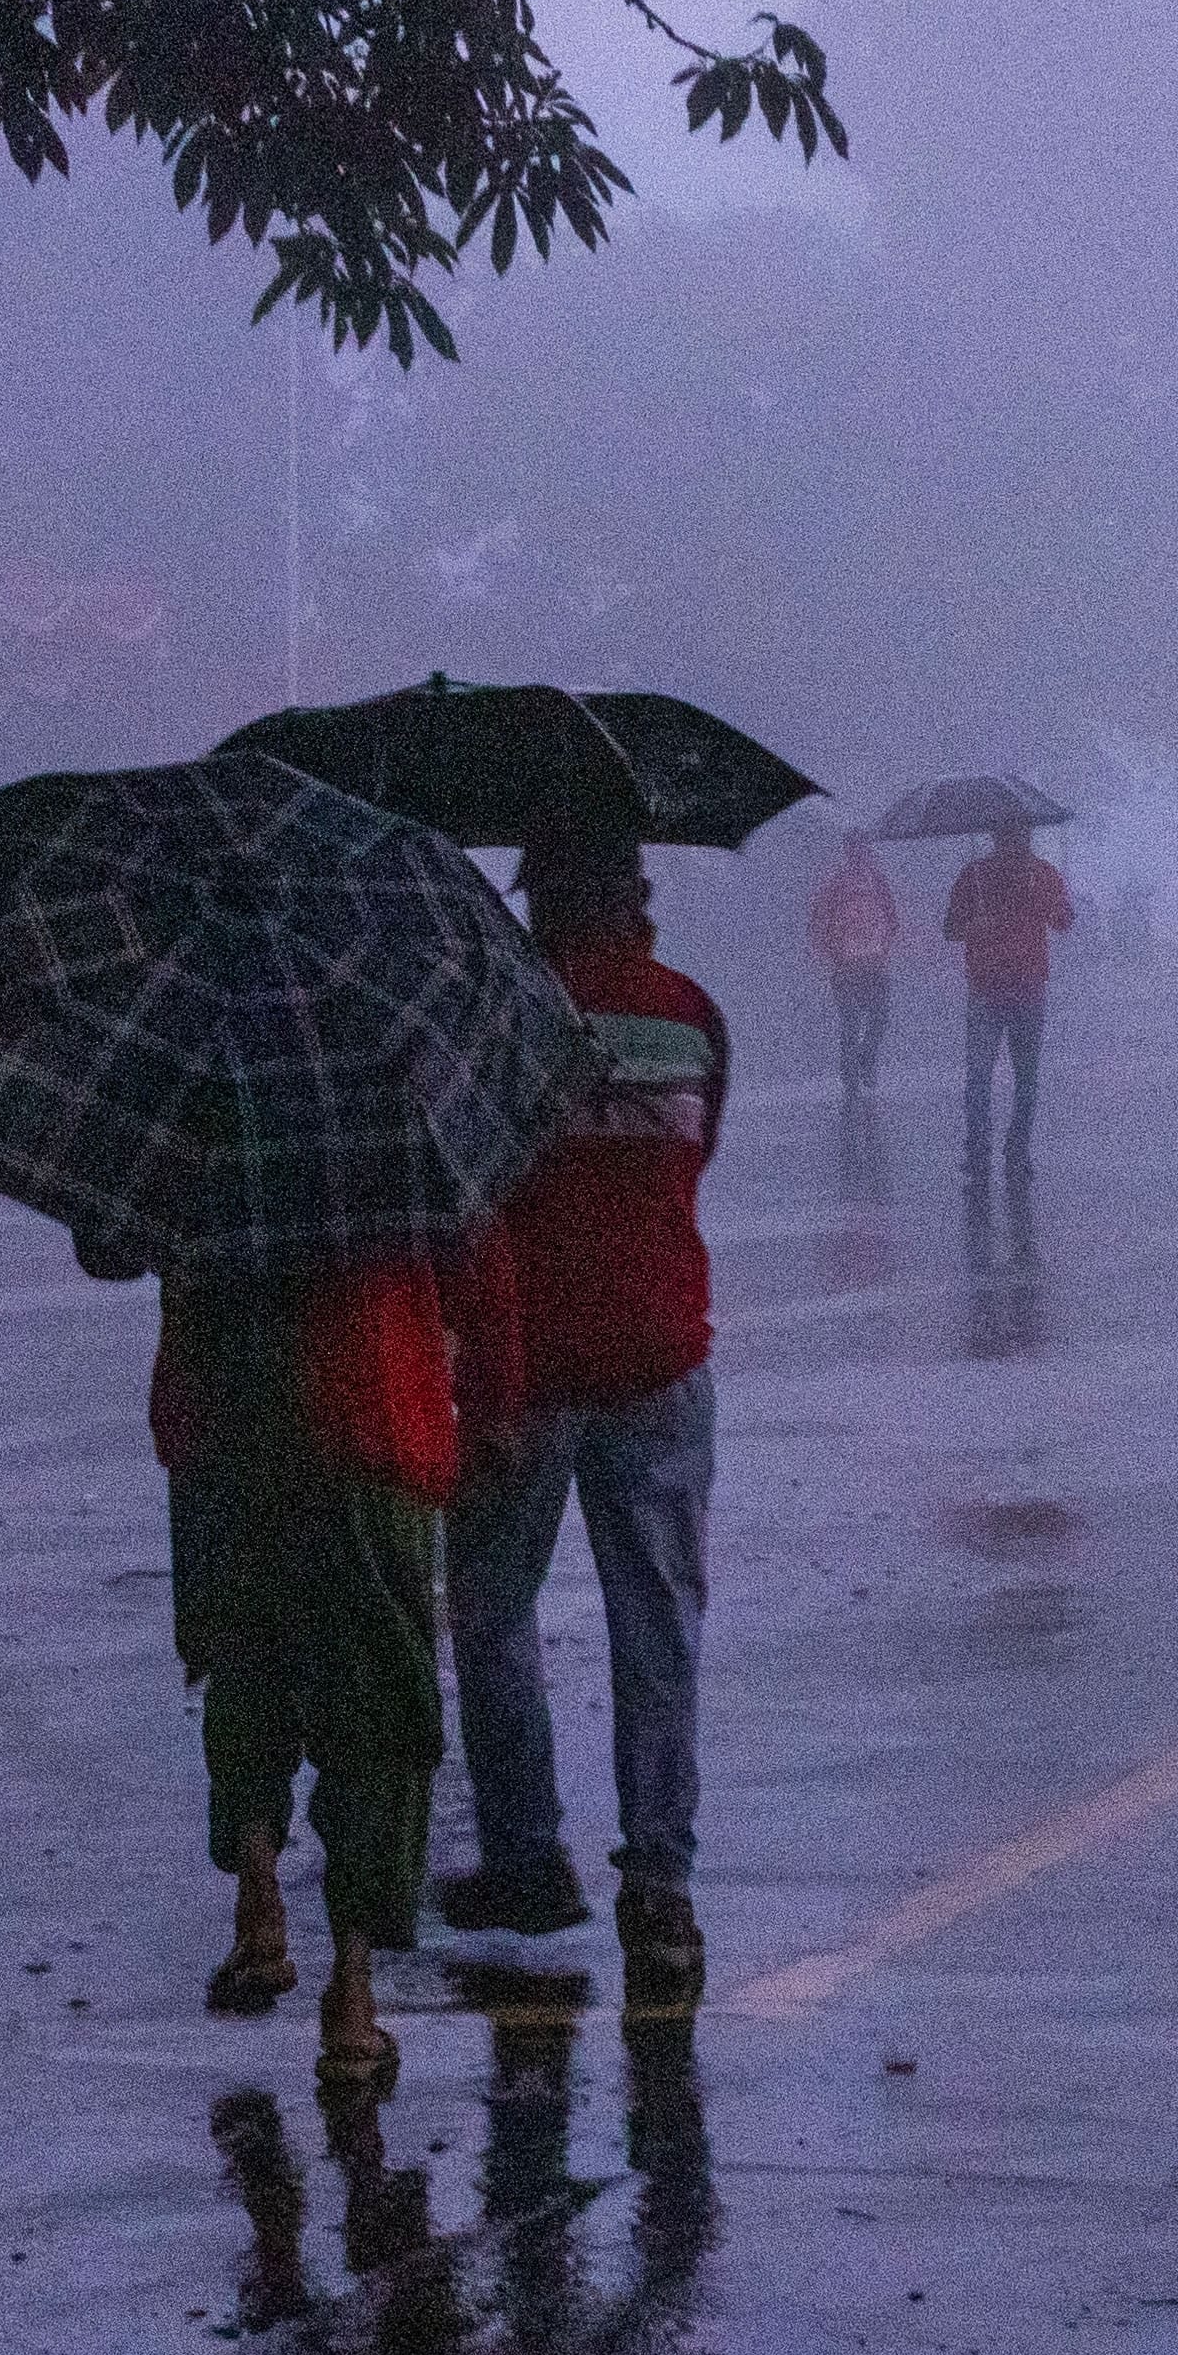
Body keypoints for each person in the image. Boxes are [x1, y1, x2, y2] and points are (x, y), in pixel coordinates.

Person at [438, 835, 729, 2014]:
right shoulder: (691, 1013)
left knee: (496, 1612)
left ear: (535, 904)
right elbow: (695, 1157)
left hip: (533, 1368)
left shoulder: (499, 1025)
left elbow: (473, 1204)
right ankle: (658, 1883)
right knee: (655, 1621)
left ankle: (529, 1859)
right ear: (639, 900)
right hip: (664, 1355)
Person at [153, 1230, 505, 2089]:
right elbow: (471, 1266)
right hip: (368, 1414)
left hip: (228, 1416)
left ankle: (259, 1888)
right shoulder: (393, 1114)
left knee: (245, 1659)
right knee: (378, 1708)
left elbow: (121, 1239)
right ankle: (351, 1998)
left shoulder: (210, 1113)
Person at [942, 818, 1076, 1186]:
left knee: (979, 1078)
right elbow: (1063, 922)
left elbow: (950, 929)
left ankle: (978, 1153)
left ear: (994, 836)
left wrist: (978, 924)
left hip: (985, 987)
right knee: (1026, 1078)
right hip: (1028, 987)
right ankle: (1016, 1153)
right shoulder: (1042, 874)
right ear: (1026, 835)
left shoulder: (975, 875)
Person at [805, 828, 897, 1099]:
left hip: (872, 961)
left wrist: (883, 947)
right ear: (848, 851)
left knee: (875, 1018)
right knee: (852, 1020)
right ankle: (852, 1074)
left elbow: (892, 918)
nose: (858, 853)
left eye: (861, 848)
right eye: (854, 848)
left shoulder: (876, 881)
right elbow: (818, 919)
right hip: (847, 963)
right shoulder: (838, 883)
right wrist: (832, 952)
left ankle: (863, 1065)